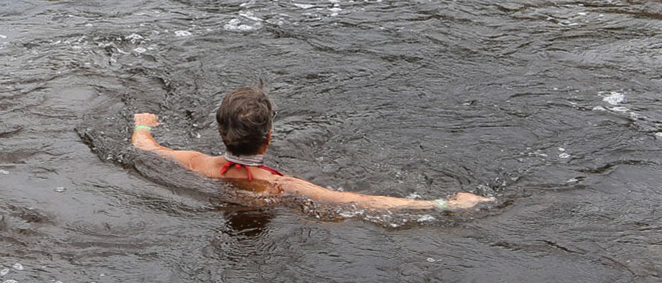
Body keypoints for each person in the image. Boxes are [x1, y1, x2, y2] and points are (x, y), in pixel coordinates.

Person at [130, 87, 493, 214]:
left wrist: (143, 123)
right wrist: (445, 204)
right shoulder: (282, 186)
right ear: (268, 137)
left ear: (220, 131)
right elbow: (360, 202)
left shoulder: (196, 163)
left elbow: (145, 147)